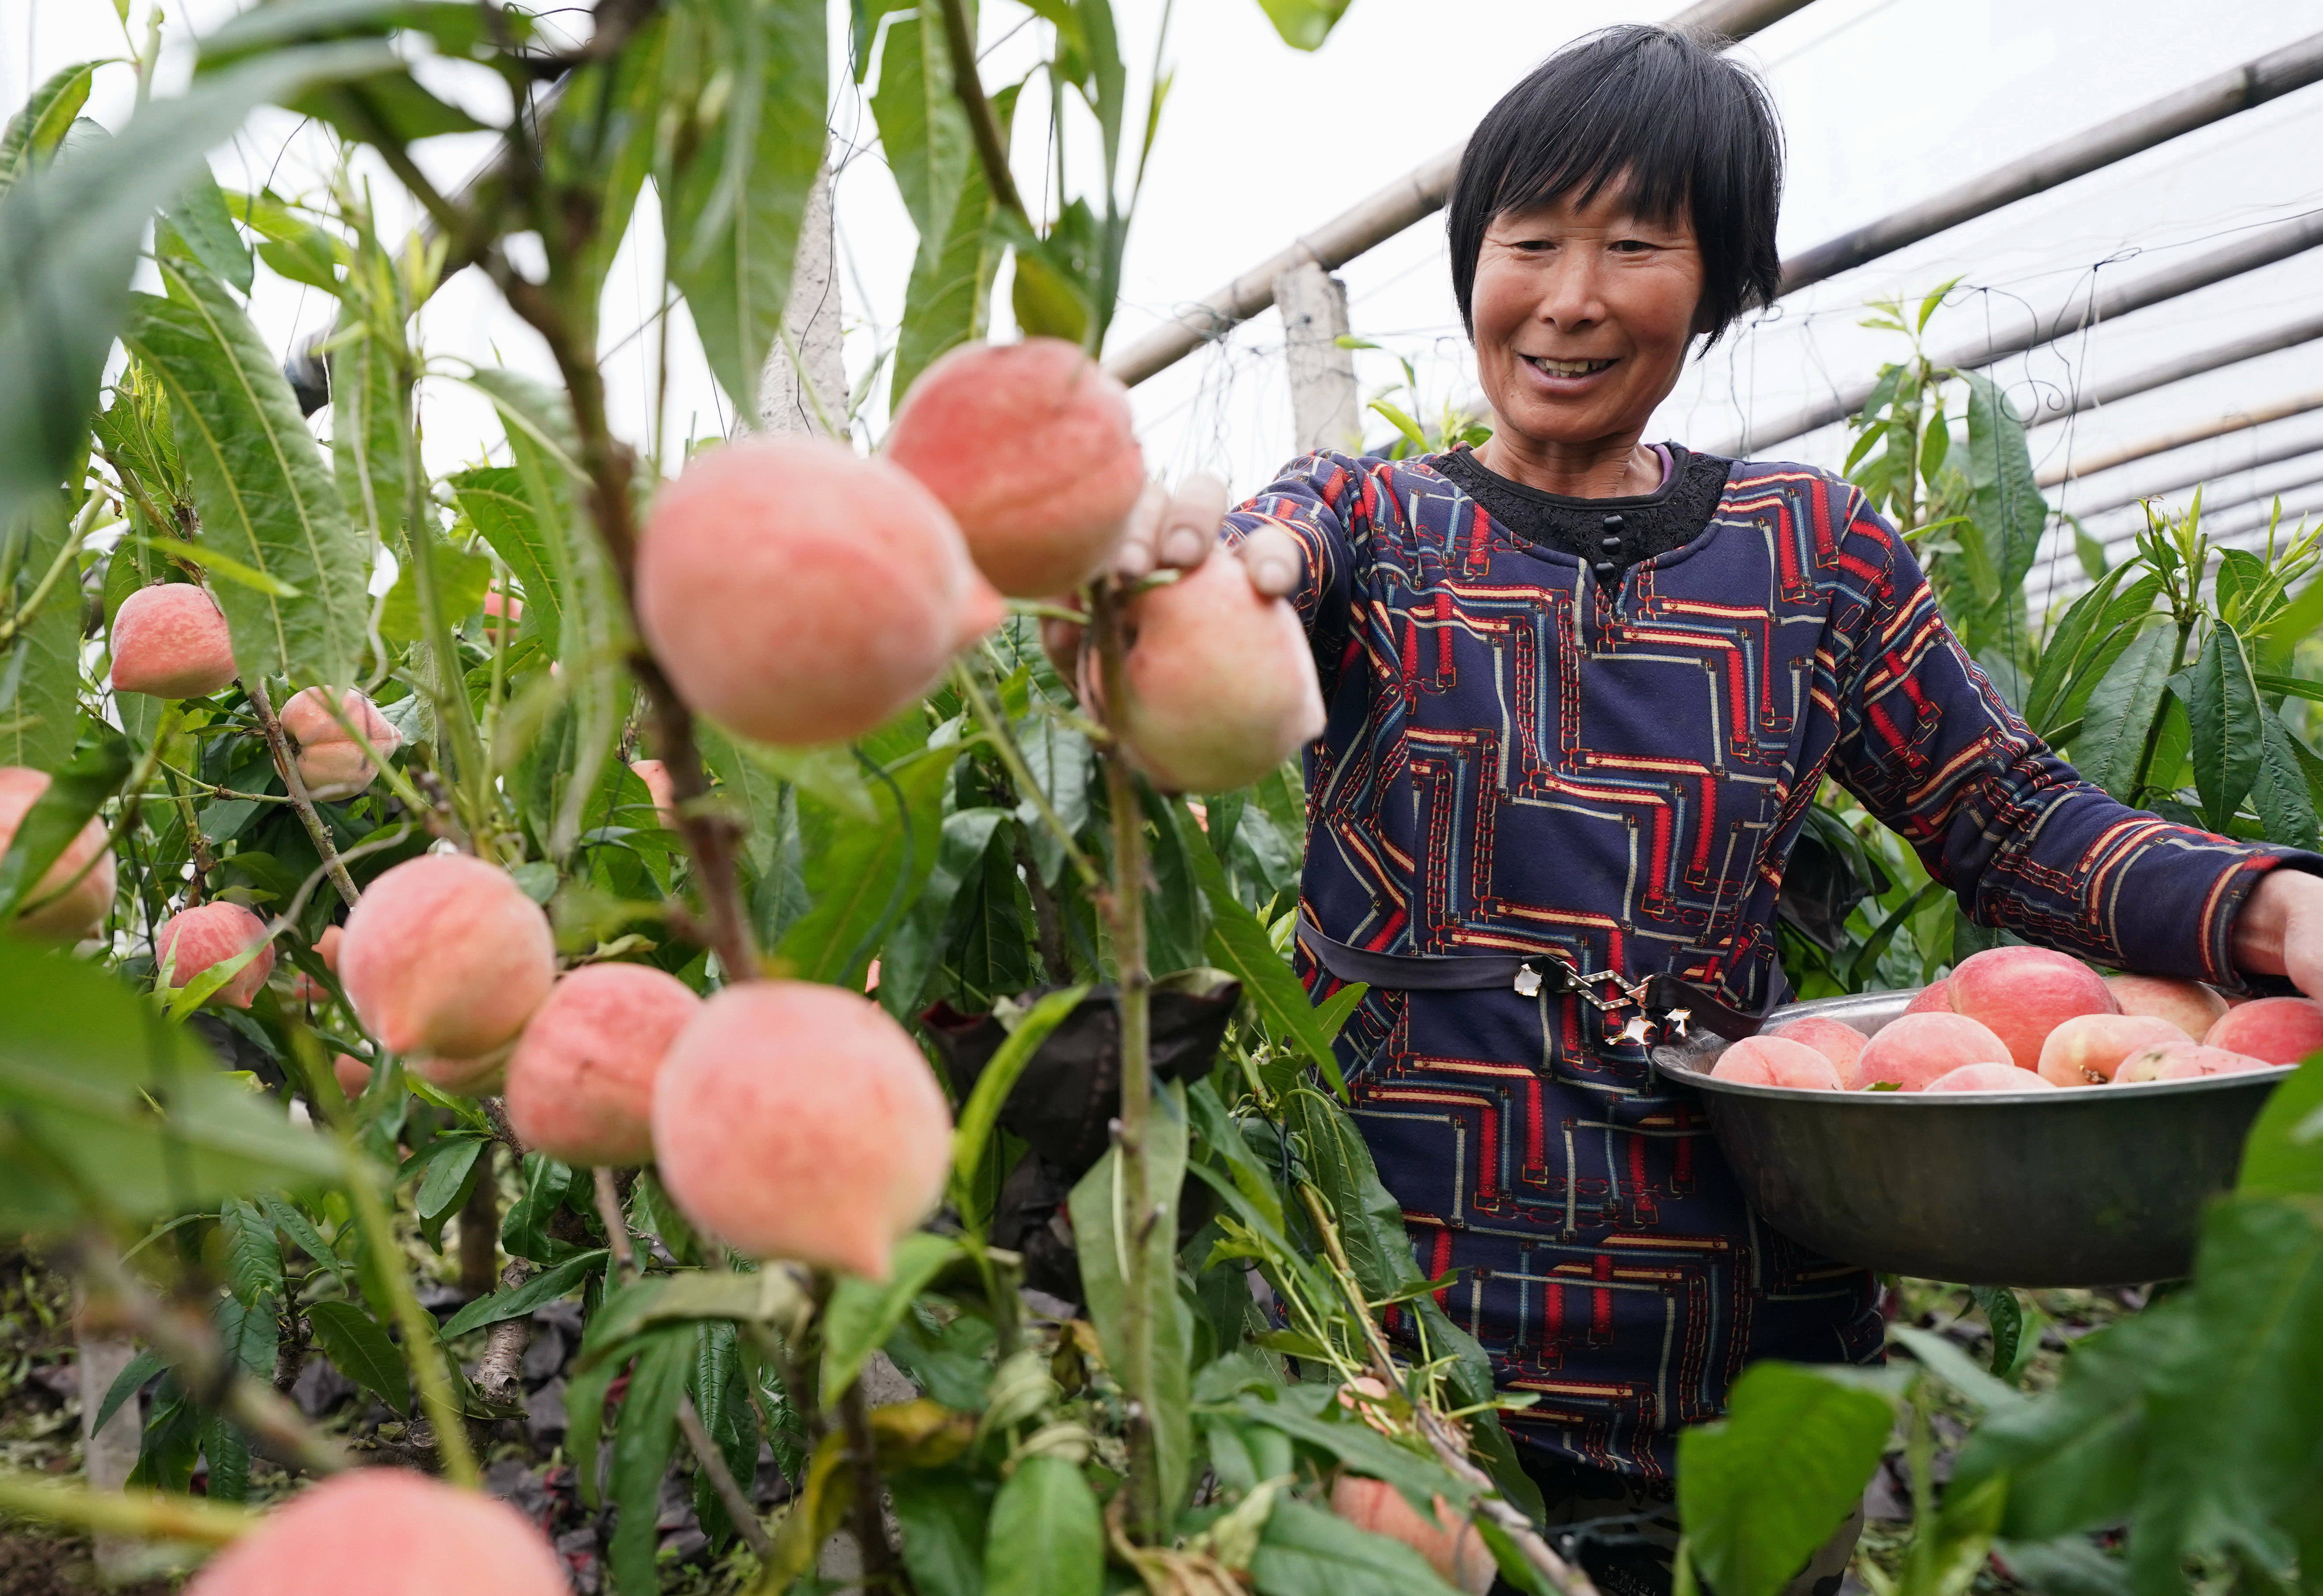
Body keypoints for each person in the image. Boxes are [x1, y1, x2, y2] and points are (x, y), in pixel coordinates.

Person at [1095, 22, 2323, 1596]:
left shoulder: (1811, 553)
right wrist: (1212, 586)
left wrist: (2272, 903)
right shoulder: (1375, 523)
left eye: (1635, 244)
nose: (1571, 295)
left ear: (1726, 278)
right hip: (1422, 1330)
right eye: (1528, 242)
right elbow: (1275, 553)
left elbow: (2004, 812)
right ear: (1475, 265)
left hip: (1752, 1329)